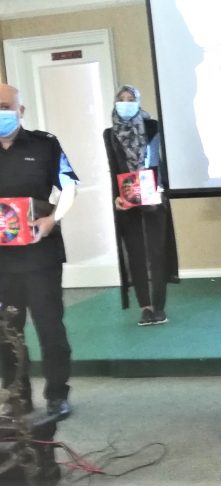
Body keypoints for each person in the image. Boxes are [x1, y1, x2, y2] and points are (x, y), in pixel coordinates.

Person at [0, 83, 78, 419]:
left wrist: (52, 219)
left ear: (20, 110)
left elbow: (70, 186)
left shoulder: (45, 145)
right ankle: (17, 395)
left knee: (50, 329)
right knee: (6, 333)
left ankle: (58, 395)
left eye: (5, 106)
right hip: (2, 263)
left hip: (40, 257)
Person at [103, 85, 179, 326]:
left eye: (131, 99)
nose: (126, 103)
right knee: (135, 253)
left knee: (156, 252)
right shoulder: (110, 134)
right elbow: (114, 168)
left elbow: (159, 162)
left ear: (138, 102)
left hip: (153, 195)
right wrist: (116, 197)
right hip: (127, 200)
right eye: (121, 99)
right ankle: (145, 307)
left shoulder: (152, 127)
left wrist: (158, 191)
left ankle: (159, 306)